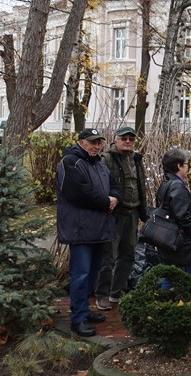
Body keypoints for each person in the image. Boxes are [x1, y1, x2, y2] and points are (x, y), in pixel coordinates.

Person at [56, 128, 122, 337]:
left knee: (91, 275)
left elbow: (114, 186)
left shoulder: (100, 165)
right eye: (92, 142)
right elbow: (78, 193)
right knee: (80, 275)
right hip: (81, 230)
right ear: (81, 142)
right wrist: (106, 202)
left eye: (99, 142)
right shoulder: (70, 162)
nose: (96, 146)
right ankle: (78, 319)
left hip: (99, 229)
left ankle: (84, 310)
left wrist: (115, 199)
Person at [95, 127, 148, 310]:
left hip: (133, 214)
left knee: (128, 255)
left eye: (131, 139)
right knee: (108, 256)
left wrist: (144, 211)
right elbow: (101, 185)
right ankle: (102, 294)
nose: (127, 141)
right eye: (123, 138)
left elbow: (140, 185)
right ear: (115, 140)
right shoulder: (106, 159)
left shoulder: (136, 159)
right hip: (114, 215)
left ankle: (115, 294)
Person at [155, 149, 191, 282]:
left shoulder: (166, 183)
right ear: (179, 166)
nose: (187, 167)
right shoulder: (177, 186)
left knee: (169, 277)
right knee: (181, 282)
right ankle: (171, 302)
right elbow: (182, 215)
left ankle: (166, 301)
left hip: (169, 241)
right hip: (182, 245)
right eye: (186, 164)